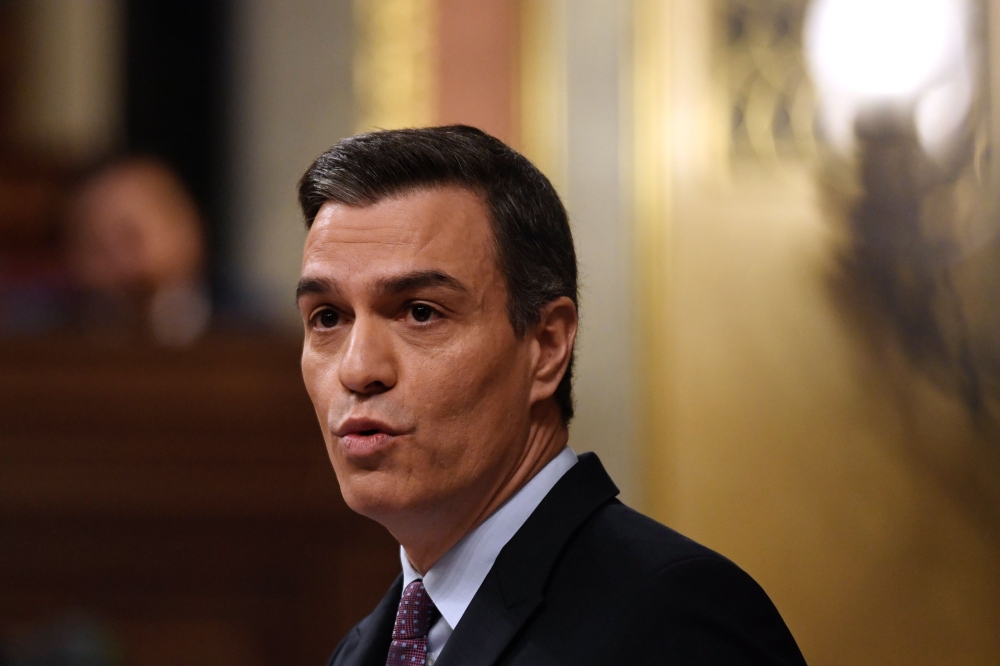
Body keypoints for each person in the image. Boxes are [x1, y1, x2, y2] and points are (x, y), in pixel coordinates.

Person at [296, 126, 807, 666]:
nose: (357, 369)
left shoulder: (676, 619)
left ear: (546, 345)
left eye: (421, 312)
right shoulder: (360, 653)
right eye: (327, 318)